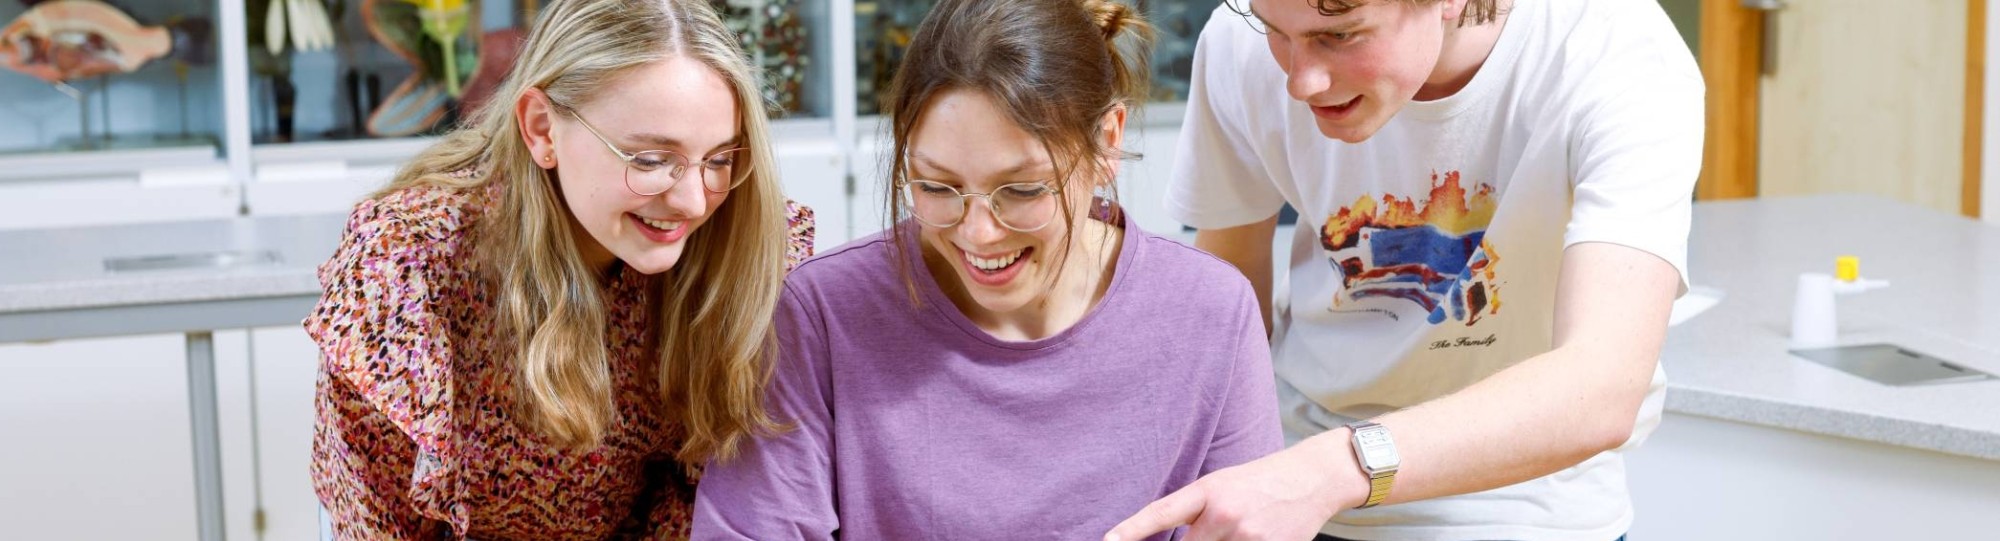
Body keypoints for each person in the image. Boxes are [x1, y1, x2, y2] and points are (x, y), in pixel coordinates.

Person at [1107, 0, 1700, 539]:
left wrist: (1331, 471)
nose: (1300, 80)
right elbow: (1228, 319)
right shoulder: (1238, 40)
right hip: (1288, 492)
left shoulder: (1616, 53)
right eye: (1276, 32)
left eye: (1339, 35)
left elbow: (1601, 386)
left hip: (1523, 507)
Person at [690, 0, 1280, 538]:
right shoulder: (820, 314)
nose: (978, 232)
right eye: (937, 186)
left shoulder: (1212, 312)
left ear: (1107, 142)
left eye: (1022, 190)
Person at [304, 0, 814, 538]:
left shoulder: (738, 239)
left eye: (717, 159)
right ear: (543, 129)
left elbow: (712, 495)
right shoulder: (410, 260)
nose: (691, 201)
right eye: (649, 159)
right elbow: (376, 516)